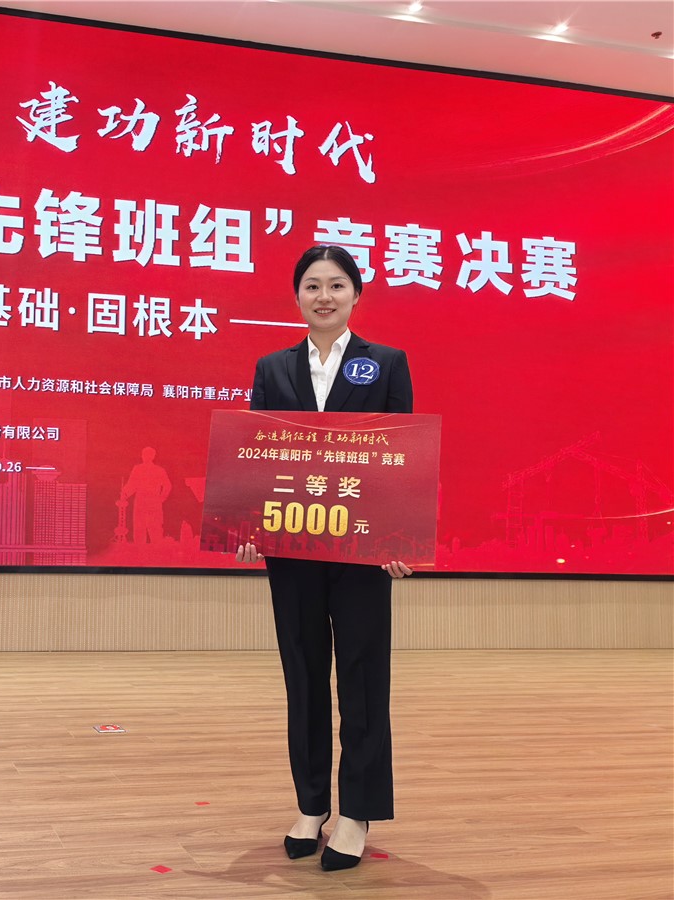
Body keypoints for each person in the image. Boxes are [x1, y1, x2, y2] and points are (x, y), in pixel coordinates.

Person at [236, 244, 414, 871]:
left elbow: (401, 457)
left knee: (362, 676)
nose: (324, 296)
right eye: (312, 285)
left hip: (362, 547)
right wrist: (250, 526)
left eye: (337, 285)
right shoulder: (272, 367)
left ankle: (356, 811)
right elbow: (257, 455)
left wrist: (399, 538)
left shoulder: (386, 362)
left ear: (356, 295)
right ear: (297, 296)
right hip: (293, 546)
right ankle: (312, 805)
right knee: (304, 673)